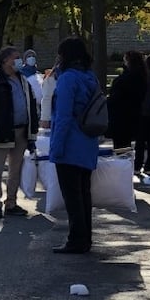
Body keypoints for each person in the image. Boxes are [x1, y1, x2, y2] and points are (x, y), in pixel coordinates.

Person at [48, 37, 101, 254]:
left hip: (70, 144)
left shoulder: (68, 79)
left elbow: (63, 117)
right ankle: (85, 238)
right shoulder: (91, 77)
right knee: (84, 195)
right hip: (88, 143)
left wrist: (56, 148)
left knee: (72, 198)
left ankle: (75, 240)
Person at [0, 46, 39, 218]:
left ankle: (11, 203)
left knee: (16, 169)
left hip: (21, 131)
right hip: (1, 132)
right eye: (16, 58)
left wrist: (32, 132)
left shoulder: (24, 81)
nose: (20, 61)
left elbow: (32, 106)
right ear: (5, 61)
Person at [106, 50, 148, 150]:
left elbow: (115, 98)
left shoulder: (124, 79)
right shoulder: (141, 77)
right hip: (133, 116)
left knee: (120, 148)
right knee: (126, 147)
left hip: (120, 118)